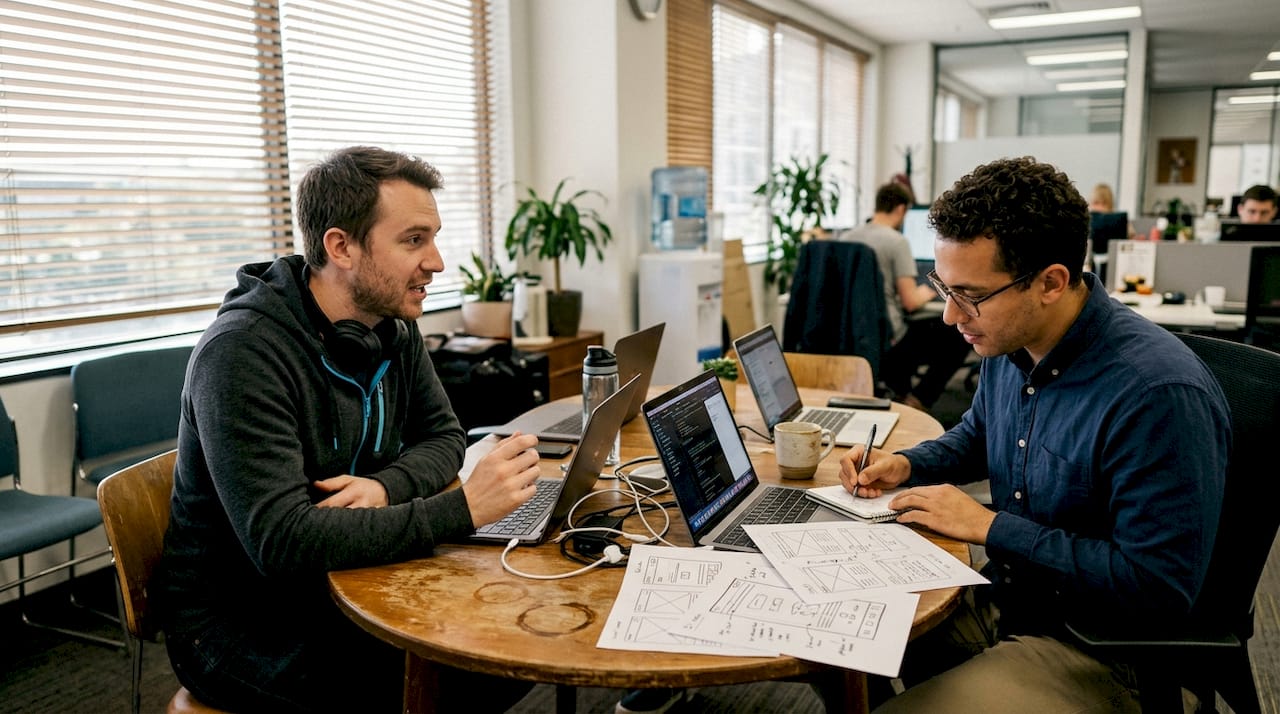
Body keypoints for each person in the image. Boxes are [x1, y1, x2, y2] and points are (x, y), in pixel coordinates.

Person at [155, 146, 540, 713]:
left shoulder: (391, 326)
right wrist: (462, 511)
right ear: (341, 247)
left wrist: (387, 488)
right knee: (470, 669)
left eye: (433, 237)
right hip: (238, 621)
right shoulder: (241, 354)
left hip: (340, 575)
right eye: (414, 240)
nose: (435, 261)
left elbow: (444, 438)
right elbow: (281, 542)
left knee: (510, 642)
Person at [840, 157, 1231, 712]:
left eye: (970, 295)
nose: (951, 317)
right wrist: (907, 464)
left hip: (1102, 648)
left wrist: (990, 527)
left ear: (1051, 282)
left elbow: (1157, 588)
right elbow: (978, 435)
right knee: (845, 632)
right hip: (1014, 599)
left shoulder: (1156, 394)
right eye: (943, 287)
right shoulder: (1008, 340)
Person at [839, 182, 973, 411]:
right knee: (957, 334)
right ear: (901, 209)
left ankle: (899, 389)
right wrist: (933, 288)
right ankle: (918, 399)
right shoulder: (896, 241)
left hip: (854, 337)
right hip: (891, 340)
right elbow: (910, 302)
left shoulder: (846, 237)